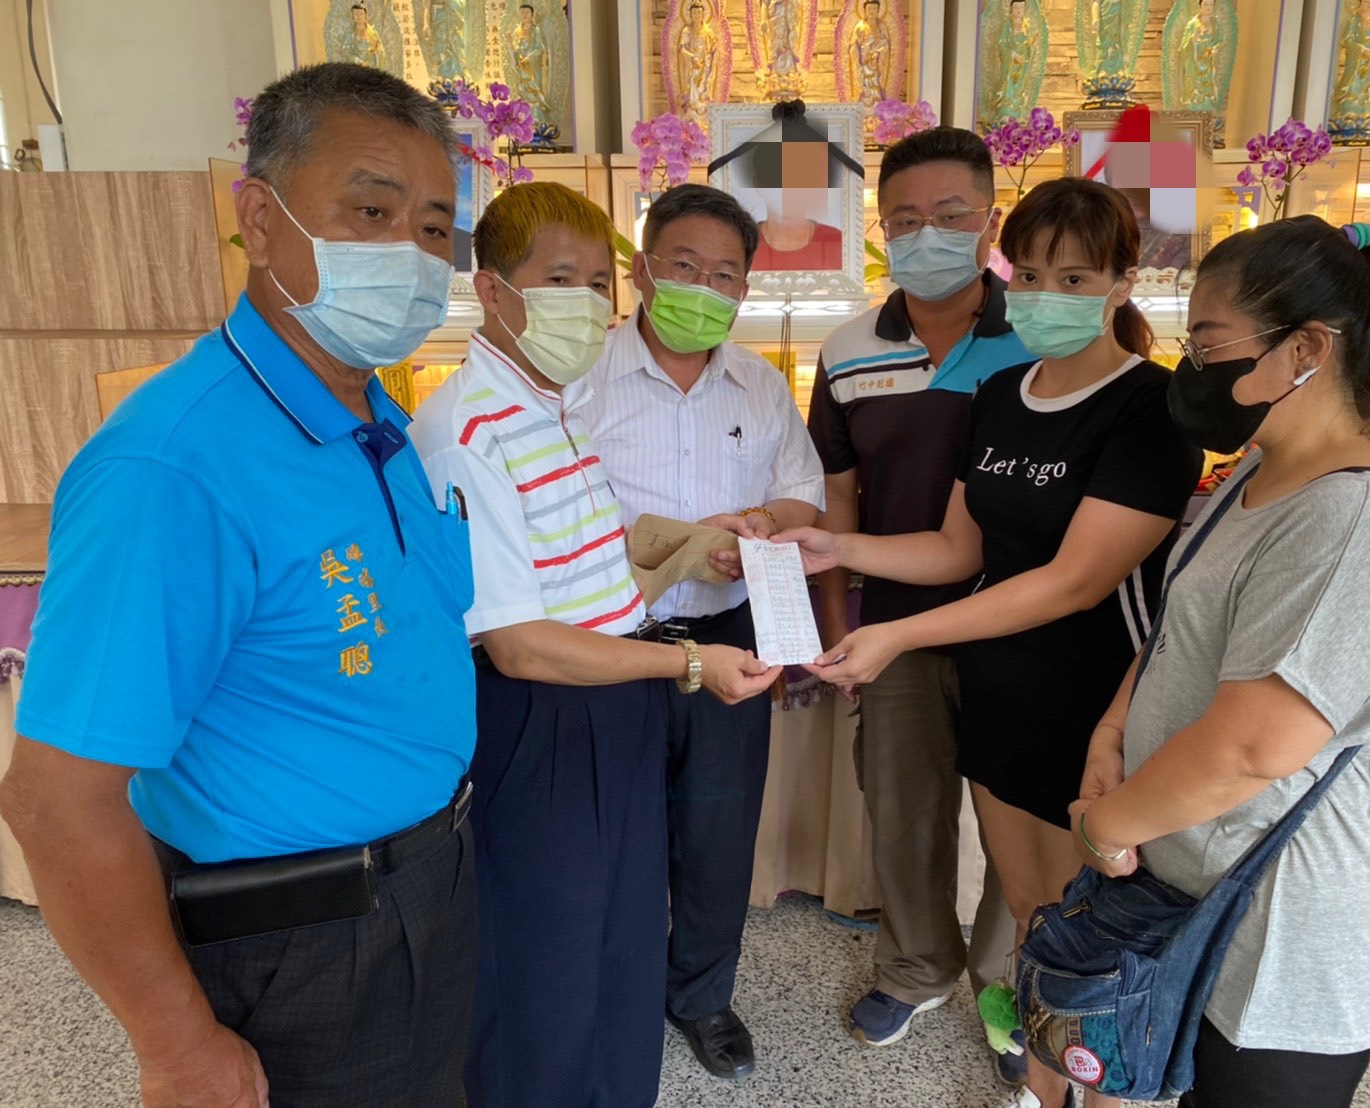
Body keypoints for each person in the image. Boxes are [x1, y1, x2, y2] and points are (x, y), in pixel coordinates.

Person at [0, 63, 477, 1107]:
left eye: (435, 228)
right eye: (370, 212)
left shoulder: (376, 422)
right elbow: (57, 803)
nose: (411, 254)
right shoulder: (173, 467)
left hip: (429, 881)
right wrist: (176, 1047)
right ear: (259, 220)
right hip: (298, 940)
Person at [761, 176, 1203, 1108]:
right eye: (1032, 276)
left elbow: (1073, 581)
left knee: (1087, 931)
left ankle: (1085, 1085)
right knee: (1038, 912)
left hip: (1094, 705)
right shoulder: (1003, 392)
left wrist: (897, 635)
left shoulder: (1152, 408)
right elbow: (959, 549)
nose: (1046, 297)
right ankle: (1043, 1084)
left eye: (1075, 279)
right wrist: (838, 547)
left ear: (1124, 283)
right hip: (1003, 688)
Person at [407, 181, 780, 1107]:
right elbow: (521, 645)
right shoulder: (464, 431)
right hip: (544, 715)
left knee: (621, 933)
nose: (586, 302)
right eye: (559, 279)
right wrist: (689, 662)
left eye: (596, 282)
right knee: (546, 951)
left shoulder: (556, 402)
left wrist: (682, 551)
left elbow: (581, 574)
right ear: (492, 290)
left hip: (614, 696)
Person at [1069, 217, 1370, 1108]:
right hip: (1196, 897)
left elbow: (1252, 747)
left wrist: (1104, 827)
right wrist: (1113, 730)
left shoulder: (1348, 526)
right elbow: (1181, 625)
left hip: (1287, 943)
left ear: (1305, 350)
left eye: (1208, 343)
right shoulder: (1256, 470)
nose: (1192, 367)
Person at [580, 182, 825, 1083]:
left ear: (744, 289)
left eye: (725, 274)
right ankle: (615, 987)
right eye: (684, 265)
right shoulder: (580, 377)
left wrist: (759, 523)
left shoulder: (760, 385)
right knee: (614, 834)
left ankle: (701, 997)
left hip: (731, 639)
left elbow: (804, 496)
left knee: (718, 836)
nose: (704, 287)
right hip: (615, 647)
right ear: (642, 271)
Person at [804, 125, 1030, 1058]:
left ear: (990, 222)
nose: (925, 234)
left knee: (1019, 820)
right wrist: (835, 633)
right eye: (904, 219)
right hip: (893, 628)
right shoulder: (848, 350)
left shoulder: (1043, 337)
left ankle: (1010, 985)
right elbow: (837, 505)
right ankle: (915, 967)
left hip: (1025, 627)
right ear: (880, 229)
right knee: (902, 812)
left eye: (950, 215)